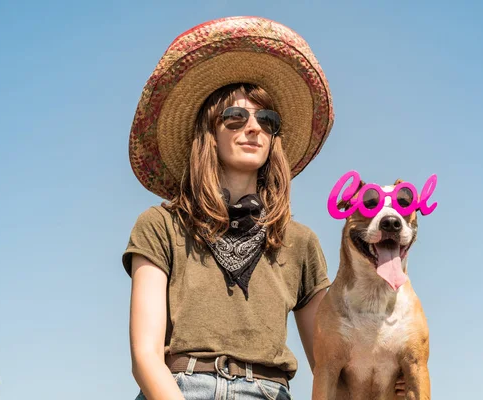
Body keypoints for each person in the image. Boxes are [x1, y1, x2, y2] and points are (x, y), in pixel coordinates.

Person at [122, 17, 334, 400]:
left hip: (270, 392)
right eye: (235, 118)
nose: (253, 128)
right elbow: (145, 356)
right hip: (180, 388)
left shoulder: (301, 242)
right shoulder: (160, 226)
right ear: (209, 133)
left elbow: (330, 364)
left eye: (266, 120)